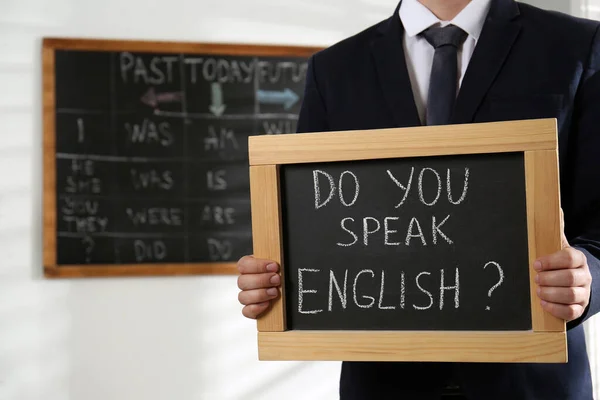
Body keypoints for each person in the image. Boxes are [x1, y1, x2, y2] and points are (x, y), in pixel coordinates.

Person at [237, 0, 600, 398]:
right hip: (384, 384)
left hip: (530, 385)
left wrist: (586, 281)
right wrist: (275, 284)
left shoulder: (576, 46)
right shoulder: (336, 69)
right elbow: (316, 227)